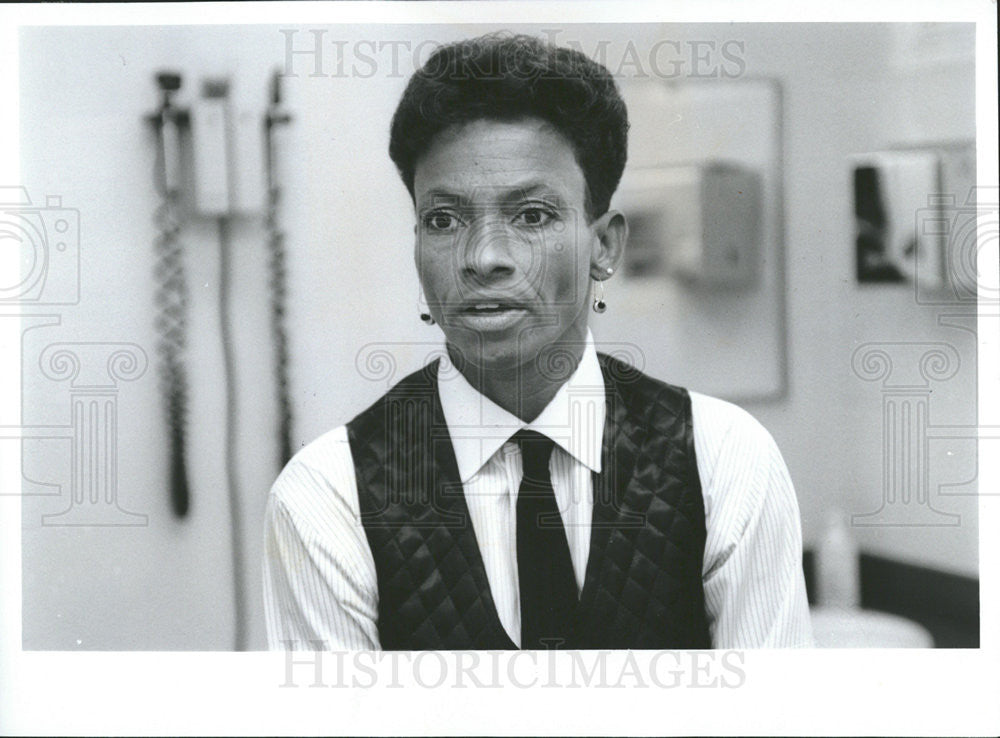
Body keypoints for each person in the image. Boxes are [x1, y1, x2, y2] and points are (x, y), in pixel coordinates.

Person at [263, 32, 813, 650]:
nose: (485, 258)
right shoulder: (328, 496)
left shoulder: (726, 462)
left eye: (531, 215)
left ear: (604, 246)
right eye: (444, 220)